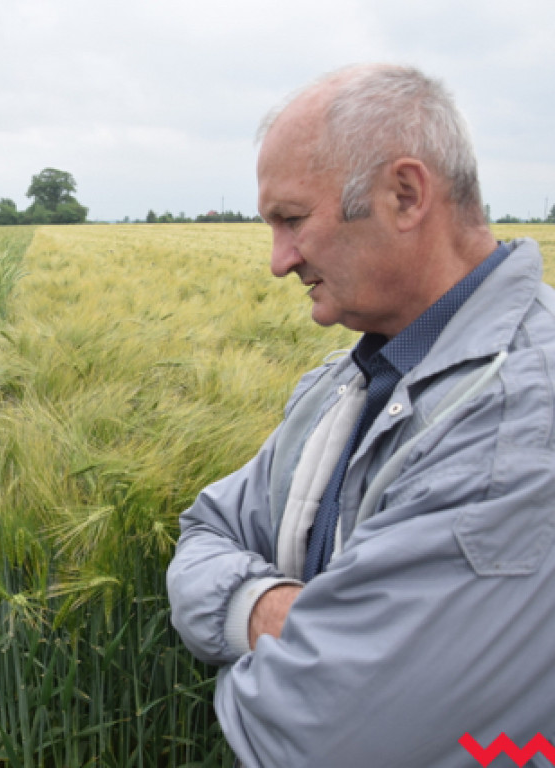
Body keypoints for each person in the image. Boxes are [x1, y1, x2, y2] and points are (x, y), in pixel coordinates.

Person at [166, 63, 555, 768]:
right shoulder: (345, 381)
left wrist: (243, 636)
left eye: (292, 219)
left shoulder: (520, 415)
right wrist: (269, 611)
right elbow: (206, 530)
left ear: (405, 195)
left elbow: (328, 736)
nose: (279, 262)